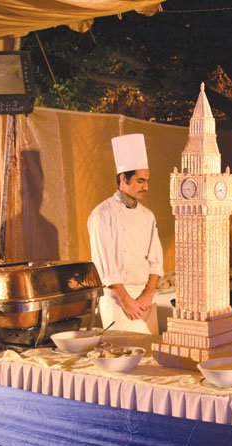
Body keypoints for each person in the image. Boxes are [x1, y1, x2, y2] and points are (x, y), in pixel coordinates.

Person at [88, 133, 164, 334]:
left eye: (147, 181)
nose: (145, 187)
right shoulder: (101, 215)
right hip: (118, 301)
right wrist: (125, 300)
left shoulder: (148, 216)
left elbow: (156, 259)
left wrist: (149, 293)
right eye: (140, 181)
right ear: (123, 178)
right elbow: (106, 266)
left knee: (149, 358)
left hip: (146, 300)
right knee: (121, 354)